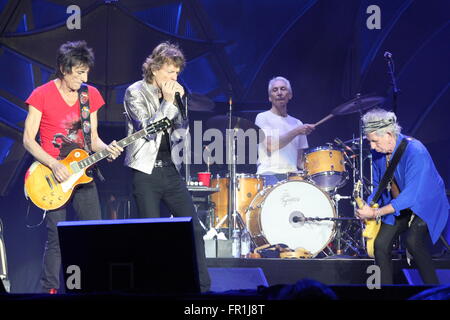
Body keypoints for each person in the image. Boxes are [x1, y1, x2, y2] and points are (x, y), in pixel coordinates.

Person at [23, 40, 123, 293]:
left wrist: (107, 150)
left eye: (86, 71)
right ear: (63, 69)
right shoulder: (41, 94)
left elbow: (94, 139)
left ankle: (93, 289)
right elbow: (27, 139)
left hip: (83, 175)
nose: (84, 77)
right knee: (56, 240)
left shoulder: (91, 95)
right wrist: (54, 164)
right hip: (52, 176)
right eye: (79, 72)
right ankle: (51, 291)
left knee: (93, 234)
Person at [123, 41, 211, 292]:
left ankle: (203, 287)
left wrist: (176, 103)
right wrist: (168, 101)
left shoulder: (175, 95)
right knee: (152, 233)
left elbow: (181, 130)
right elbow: (149, 130)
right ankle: (151, 287)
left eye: (177, 73)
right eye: (171, 72)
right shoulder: (135, 92)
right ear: (155, 69)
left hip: (170, 170)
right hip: (145, 171)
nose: (175, 77)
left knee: (193, 229)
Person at [356, 108, 448, 285]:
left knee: (413, 242)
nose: (372, 147)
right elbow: (378, 185)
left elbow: (412, 196)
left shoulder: (416, 151)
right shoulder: (378, 153)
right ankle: (386, 293)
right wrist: (369, 205)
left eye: (374, 141)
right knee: (380, 245)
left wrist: (376, 213)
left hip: (425, 203)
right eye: (370, 142)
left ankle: (434, 290)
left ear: (389, 134)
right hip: (397, 205)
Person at [255, 76, 315, 186]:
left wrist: (320, 166)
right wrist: (296, 131)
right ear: (270, 97)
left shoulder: (298, 123)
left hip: (292, 176)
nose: (279, 93)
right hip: (269, 175)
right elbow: (270, 145)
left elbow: (299, 161)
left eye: (283, 89)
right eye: (275, 90)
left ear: (290, 95)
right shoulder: (262, 117)